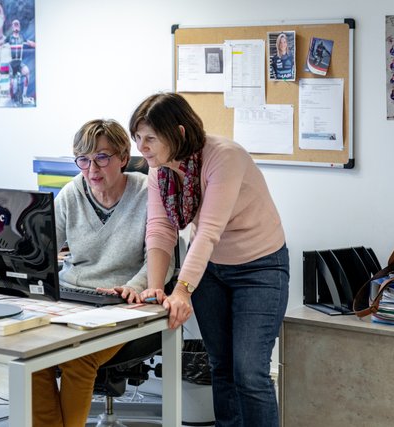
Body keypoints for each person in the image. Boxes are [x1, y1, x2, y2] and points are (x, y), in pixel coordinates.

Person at [130, 92, 289, 427]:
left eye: (150, 138)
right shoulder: (161, 170)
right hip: (212, 270)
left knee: (250, 372)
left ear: (180, 132)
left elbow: (209, 231)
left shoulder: (224, 157)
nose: (141, 148)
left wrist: (183, 289)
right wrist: (156, 289)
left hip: (260, 267)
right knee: (221, 365)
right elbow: (160, 229)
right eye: (138, 138)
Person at [31, 119, 173, 427]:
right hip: (70, 296)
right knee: (31, 356)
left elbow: (163, 257)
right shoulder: (71, 193)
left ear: (124, 157)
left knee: (79, 358)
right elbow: (40, 248)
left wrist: (135, 286)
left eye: (102, 158)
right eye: (83, 160)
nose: (92, 169)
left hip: (121, 302)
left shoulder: (147, 192)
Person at [7, 19, 36, 104]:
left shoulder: (22, 37)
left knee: (27, 72)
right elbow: (0, 43)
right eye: (14, 25)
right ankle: (12, 99)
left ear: (19, 27)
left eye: (17, 25)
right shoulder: (9, 38)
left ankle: (24, 95)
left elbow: (30, 43)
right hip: (11, 64)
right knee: (12, 84)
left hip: (19, 63)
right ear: (12, 27)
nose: (16, 26)